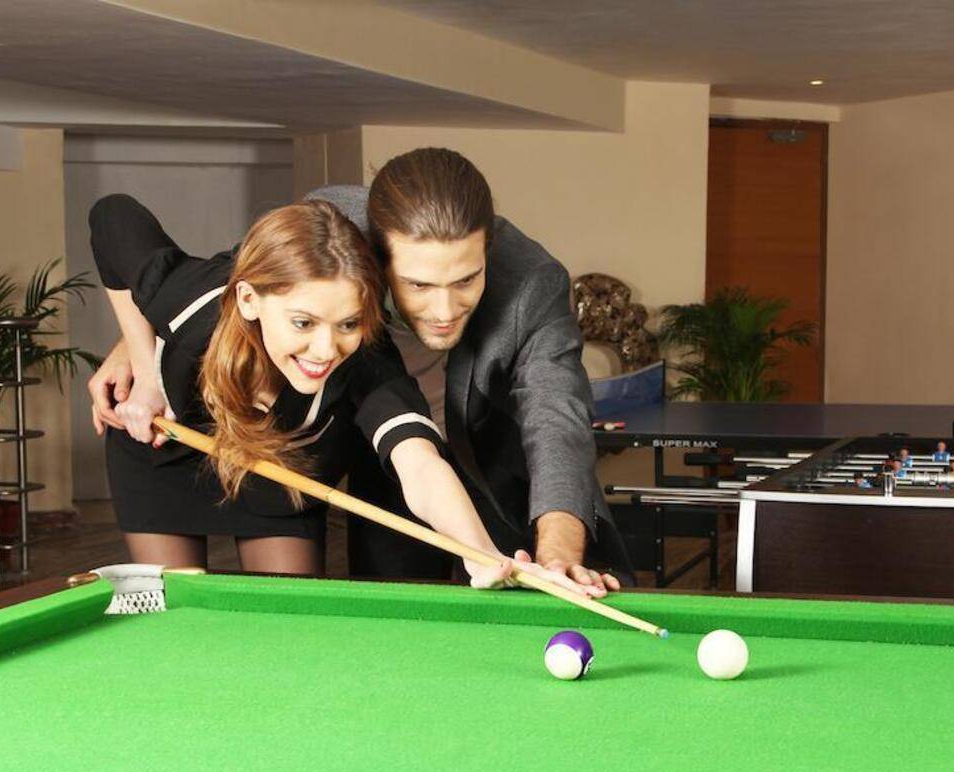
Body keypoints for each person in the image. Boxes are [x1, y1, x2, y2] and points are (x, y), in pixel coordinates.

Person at [86, 193, 585, 593]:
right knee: (176, 613)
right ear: (249, 300)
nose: (327, 350)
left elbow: (419, 464)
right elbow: (112, 216)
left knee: (290, 624)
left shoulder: (366, 357)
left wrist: (482, 556)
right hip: (166, 450)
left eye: (347, 322)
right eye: (303, 322)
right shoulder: (194, 303)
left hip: (283, 469)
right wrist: (146, 371)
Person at [306, 150, 632, 592]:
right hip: (390, 457)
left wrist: (558, 553)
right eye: (419, 285)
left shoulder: (531, 280)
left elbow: (556, 414)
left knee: (524, 593)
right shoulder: (330, 236)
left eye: (465, 280)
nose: (444, 312)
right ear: (377, 259)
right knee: (399, 605)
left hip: (489, 455)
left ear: (487, 251)